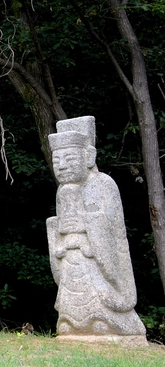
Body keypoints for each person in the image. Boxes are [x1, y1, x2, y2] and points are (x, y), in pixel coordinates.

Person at [46, 116, 146, 342]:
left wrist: (84, 224)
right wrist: (56, 229)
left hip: (95, 259)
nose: (61, 166)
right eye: (57, 160)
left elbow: (111, 228)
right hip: (72, 260)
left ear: (88, 157)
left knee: (101, 314)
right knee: (68, 321)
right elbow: (60, 227)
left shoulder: (103, 184)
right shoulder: (63, 192)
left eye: (69, 159)